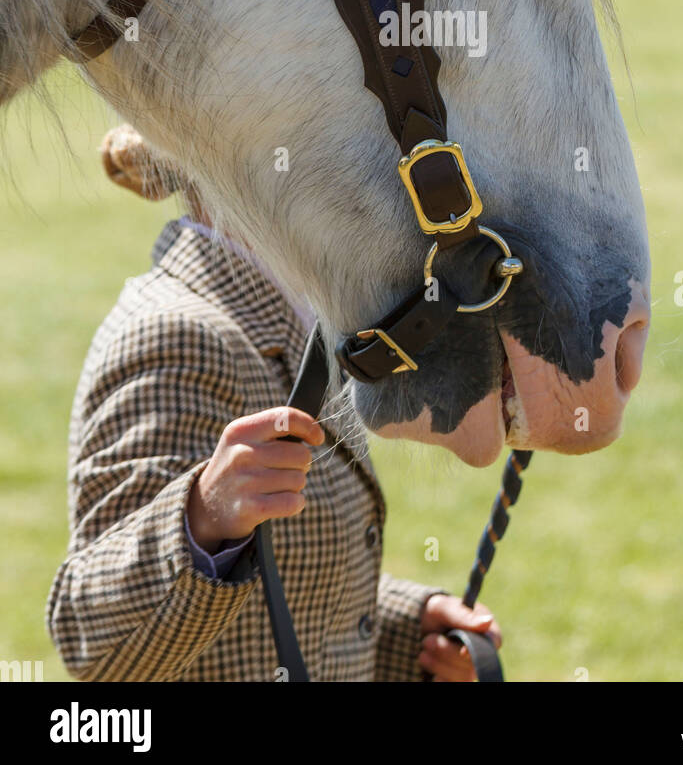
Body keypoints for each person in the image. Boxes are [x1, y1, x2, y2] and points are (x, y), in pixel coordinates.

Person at [47, 125, 501, 682]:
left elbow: (277, 587)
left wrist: (411, 629)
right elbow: (96, 644)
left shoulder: (301, 313)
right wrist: (204, 515)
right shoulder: (178, 336)